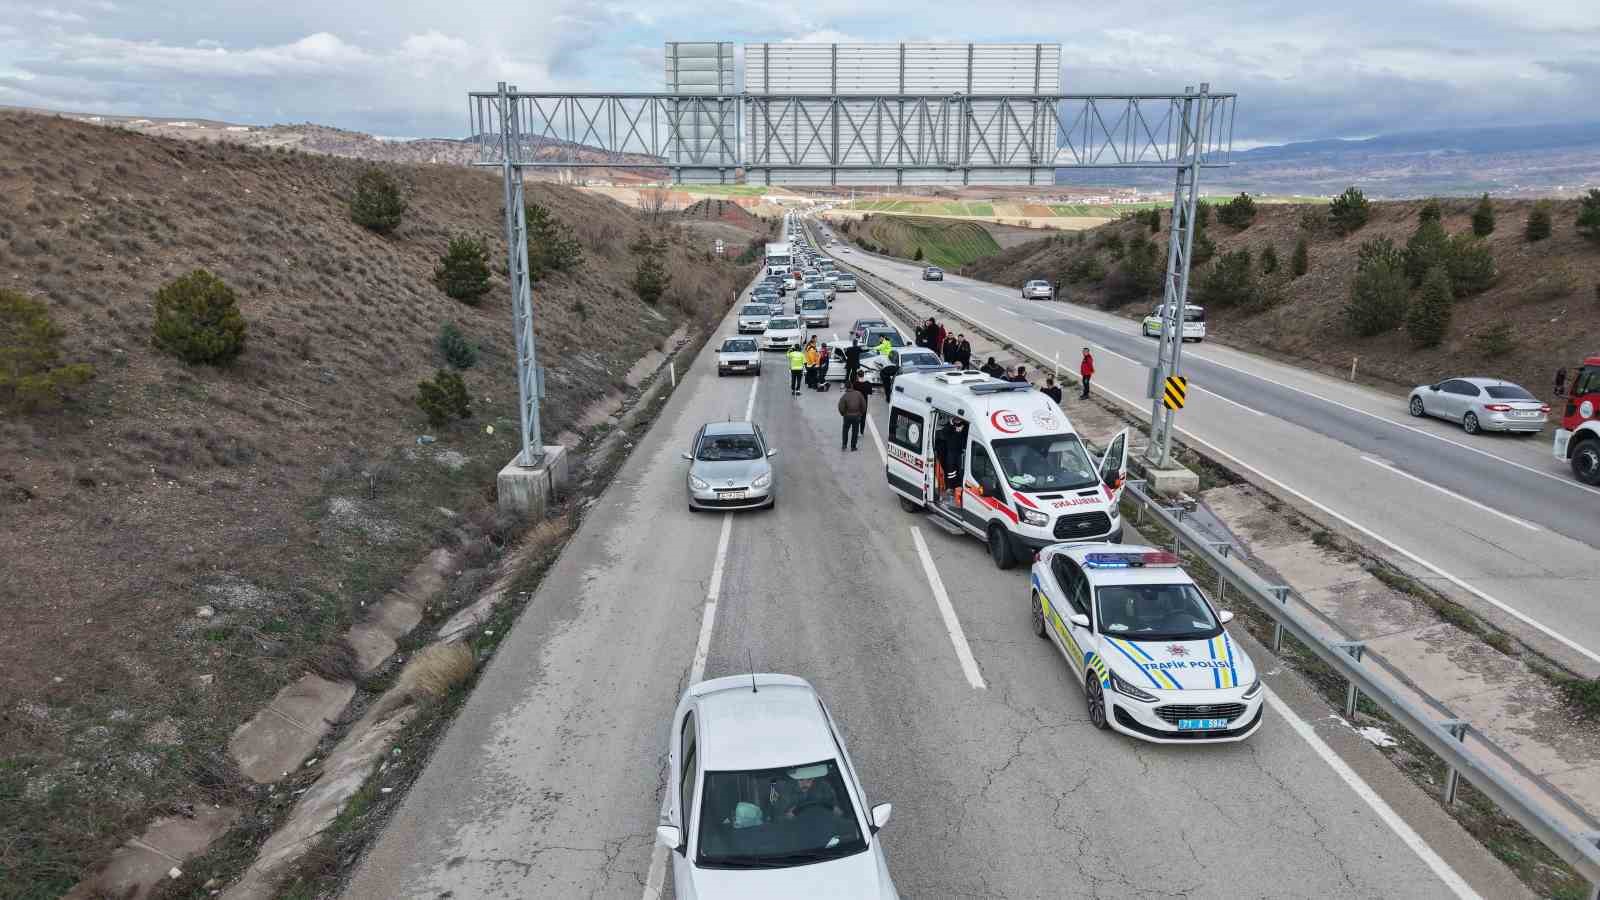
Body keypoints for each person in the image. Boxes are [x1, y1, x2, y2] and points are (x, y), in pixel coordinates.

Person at [769, 765, 840, 819]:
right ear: (794, 780)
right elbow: (778, 819)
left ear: (814, 779)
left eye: (809, 780)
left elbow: (838, 811)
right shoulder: (785, 792)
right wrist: (790, 815)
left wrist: (833, 810)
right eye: (801, 780)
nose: (805, 784)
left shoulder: (824, 788)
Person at [934, 416, 967, 504]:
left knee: (960, 471)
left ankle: (959, 487)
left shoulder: (965, 425)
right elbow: (944, 433)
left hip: (961, 452)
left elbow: (966, 438)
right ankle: (950, 487)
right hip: (951, 451)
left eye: (959, 419)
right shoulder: (949, 425)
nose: (958, 420)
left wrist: (960, 431)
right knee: (951, 471)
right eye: (956, 419)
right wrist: (951, 424)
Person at [838, 382, 867, 451]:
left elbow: (840, 407)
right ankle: (853, 447)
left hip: (847, 416)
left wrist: (843, 414)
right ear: (852, 386)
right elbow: (864, 405)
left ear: (846, 387)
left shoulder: (844, 396)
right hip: (857, 416)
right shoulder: (858, 394)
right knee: (855, 431)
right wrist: (861, 414)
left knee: (845, 430)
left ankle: (844, 445)